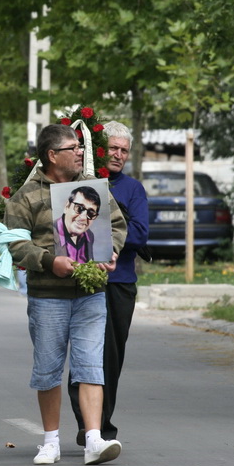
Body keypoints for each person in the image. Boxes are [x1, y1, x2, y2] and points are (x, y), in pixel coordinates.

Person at [4, 123, 127, 466]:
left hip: (90, 293)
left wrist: (111, 251)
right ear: (52, 155)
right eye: (73, 147)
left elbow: (116, 225)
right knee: (48, 368)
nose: (81, 151)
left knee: (90, 366)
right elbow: (13, 242)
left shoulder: (91, 189)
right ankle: (50, 442)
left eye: (80, 147)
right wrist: (47, 261)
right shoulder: (26, 196)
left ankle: (93, 440)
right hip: (48, 296)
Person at [67, 121, 149, 447]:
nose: (118, 155)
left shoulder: (132, 189)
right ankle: (90, 428)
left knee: (111, 360)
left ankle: (101, 426)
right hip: (83, 282)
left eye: (124, 151)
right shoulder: (79, 183)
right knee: (85, 357)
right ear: (101, 149)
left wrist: (102, 231)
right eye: (113, 148)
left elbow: (140, 234)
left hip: (119, 282)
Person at [54, 186, 102, 263]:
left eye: (91, 213)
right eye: (79, 208)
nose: (83, 218)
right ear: (67, 206)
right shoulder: (48, 231)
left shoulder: (89, 235)